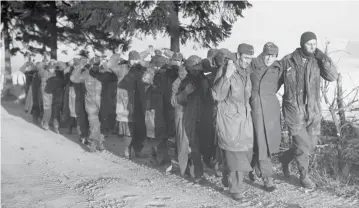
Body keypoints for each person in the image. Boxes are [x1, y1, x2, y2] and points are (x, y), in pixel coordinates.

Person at [275, 32, 338, 189]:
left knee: (309, 145)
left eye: (315, 44)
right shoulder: (287, 61)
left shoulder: (317, 62)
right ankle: (304, 177)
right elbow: (274, 83)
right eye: (309, 43)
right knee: (303, 145)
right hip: (293, 110)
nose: (312, 46)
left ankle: (285, 158)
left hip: (313, 111)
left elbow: (332, 76)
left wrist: (322, 56)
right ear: (302, 43)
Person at [211, 44, 254, 201]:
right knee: (236, 155)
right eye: (245, 57)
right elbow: (217, 95)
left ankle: (225, 176)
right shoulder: (225, 70)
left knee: (246, 153)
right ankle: (236, 189)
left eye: (250, 58)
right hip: (229, 120)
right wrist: (227, 76)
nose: (248, 61)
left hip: (244, 120)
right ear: (238, 55)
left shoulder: (246, 73)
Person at [249, 42, 282, 191]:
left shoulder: (277, 67)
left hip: (271, 109)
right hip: (256, 107)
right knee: (262, 143)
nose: (270, 58)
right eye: (268, 54)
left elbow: (277, 85)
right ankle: (268, 178)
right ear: (263, 53)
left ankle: (254, 166)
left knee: (268, 143)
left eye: (273, 55)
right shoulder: (253, 64)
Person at [171, 55, 206, 182]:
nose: (197, 71)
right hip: (183, 115)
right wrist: (185, 92)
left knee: (196, 145)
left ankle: (197, 173)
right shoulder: (180, 80)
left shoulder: (201, 78)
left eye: (199, 69)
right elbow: (174, 101)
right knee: (183, 144)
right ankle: (184, 171)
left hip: (197, 116)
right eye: (194, 69)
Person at [70, 57, 107, 152]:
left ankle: (100, 141)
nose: (95, 67)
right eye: (93, 65)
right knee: (94, 123)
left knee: (101, 124)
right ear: (90, 65)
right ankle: (93, 142)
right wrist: (80, 66)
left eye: (97, 65)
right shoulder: (86, 74)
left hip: (103, 104)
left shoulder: (103, 73)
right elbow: (73, 78)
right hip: (91, 104)